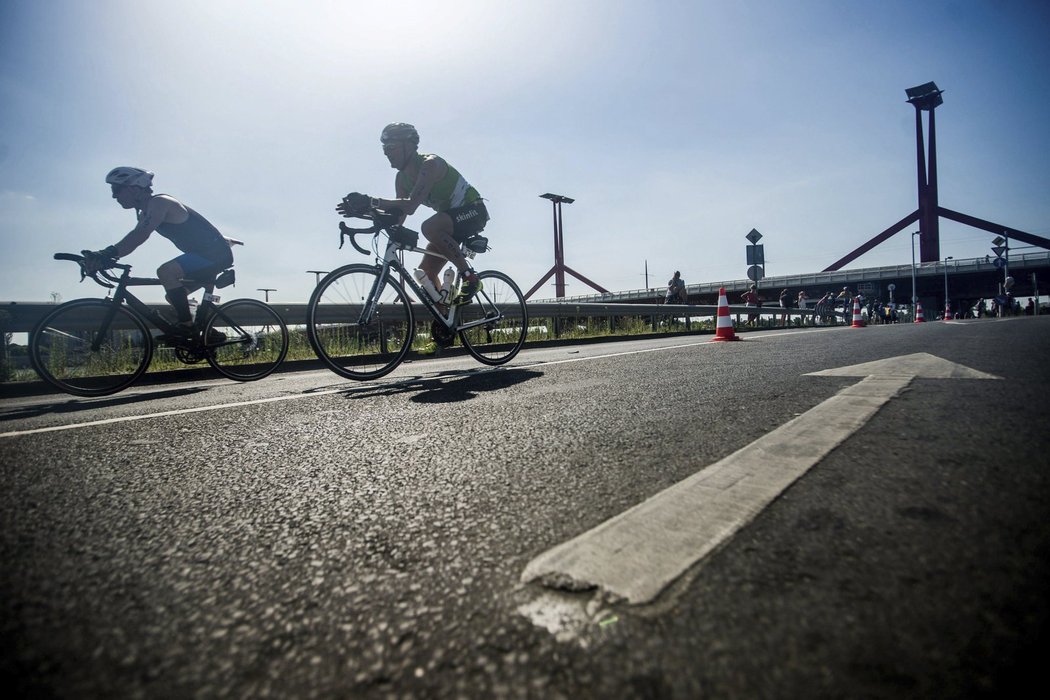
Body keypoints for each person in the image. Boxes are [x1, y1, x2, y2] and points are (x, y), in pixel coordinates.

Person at [337, 123, 488, 306]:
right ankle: (445, 320)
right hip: (449, 221)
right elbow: (398, 215)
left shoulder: (430, 164)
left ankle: (470, 278)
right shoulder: (401, 179)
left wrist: (371, 201)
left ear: (408, 146)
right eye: (384, 149)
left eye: (391, 147)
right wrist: (364, 212)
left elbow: (410, 206)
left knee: (429, 227)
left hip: (473, 211)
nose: (387, 153)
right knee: (427, 272)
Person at [86, 167, 235, 338]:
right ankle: (207, 335)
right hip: (207, 254)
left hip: (214, 255)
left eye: (116, 189)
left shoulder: (160, 203)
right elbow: (131, 242)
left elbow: (139, 235)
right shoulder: (146, 212)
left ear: (134, 187)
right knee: (174, 297)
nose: (114, 196)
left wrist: (106, 253)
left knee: (166, 272)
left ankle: (187, 328)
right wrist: (107, 256)